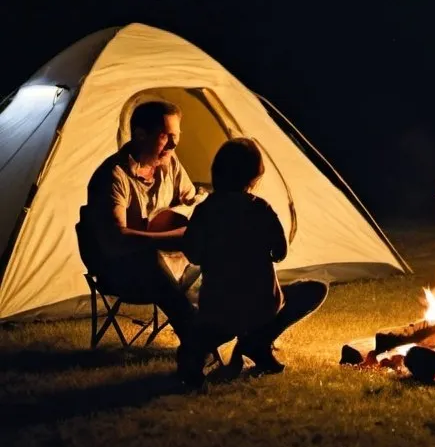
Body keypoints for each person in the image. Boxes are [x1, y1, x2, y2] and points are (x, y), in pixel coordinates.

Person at [177, 137, 328, 388]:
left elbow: (192, 253)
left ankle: (200, 357)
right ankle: (257, 341)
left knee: (200, 330)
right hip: (261, 307)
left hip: (218, 308)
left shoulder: (205, 211)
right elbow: (280, 252)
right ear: (253, 176)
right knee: (315, 289)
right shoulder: (261, 209)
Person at [83, 99, 201, 358]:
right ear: (140, 135)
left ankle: (246, 319)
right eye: (166, 137)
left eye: (176, 137)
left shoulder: (169, 163)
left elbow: (193, 200)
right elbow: (116, 239)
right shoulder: (113, 175)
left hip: (170, 265)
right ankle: (195, 333)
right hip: (120, 270)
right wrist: (172, 238)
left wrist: (182, 218)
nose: (173, 144)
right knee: (148, 258)